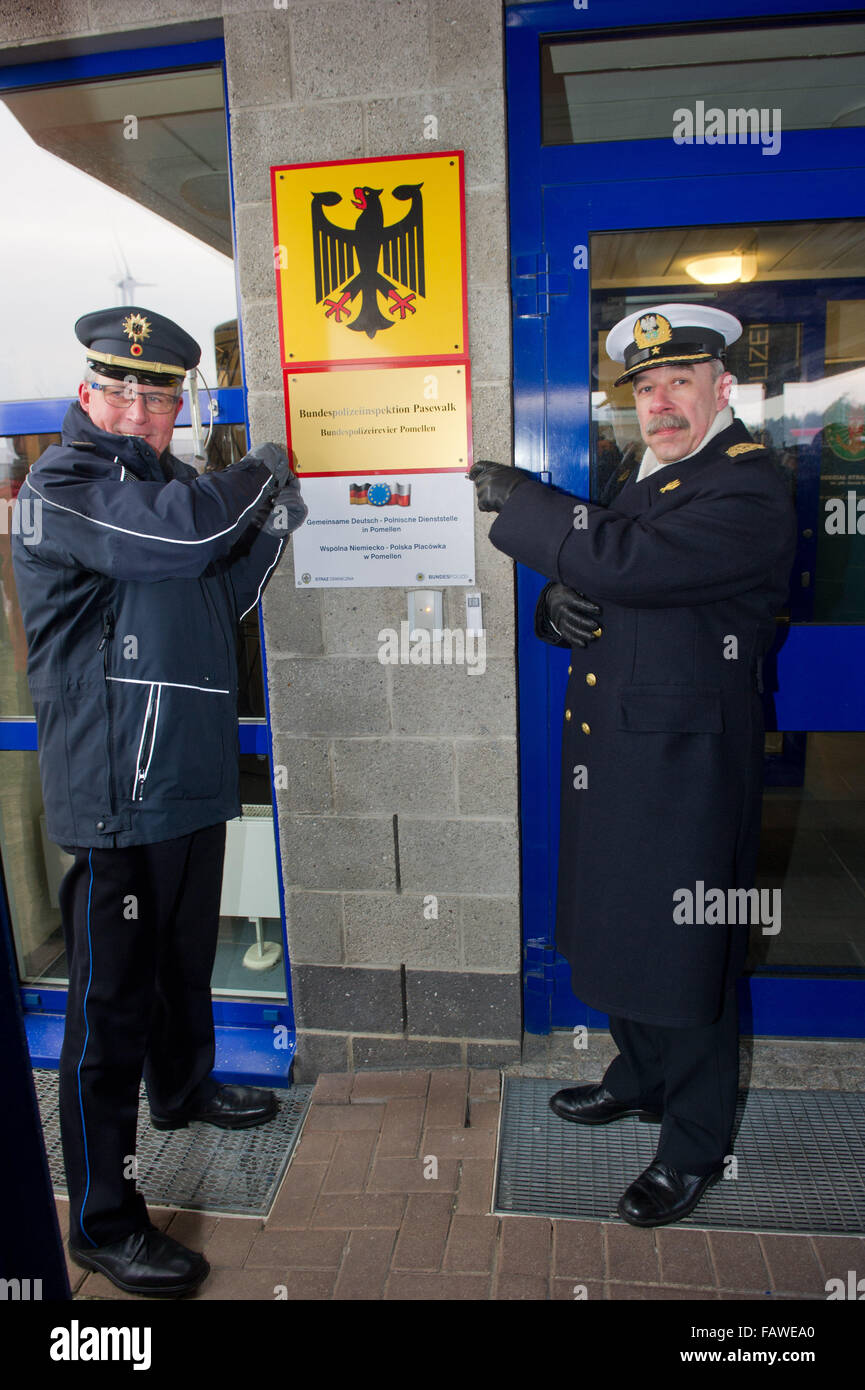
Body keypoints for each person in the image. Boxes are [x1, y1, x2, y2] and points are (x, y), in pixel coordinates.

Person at [470, 303, 796, 1227]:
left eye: (678, 382)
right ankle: (639, 1076)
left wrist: (526, 498)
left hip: (687, 764)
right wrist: (554, 608)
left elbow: (636, 563)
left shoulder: (746, 485)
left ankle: (692, 1145)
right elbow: (607, 583)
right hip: (617, 750)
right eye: (644, 388)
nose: (658, 402)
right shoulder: (644, 471)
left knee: (686, 951)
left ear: (722, 387)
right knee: (620, 924)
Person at [11, 306, 307, 1296]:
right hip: (112, 793)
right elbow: (180, 542)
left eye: (160, 393)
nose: (140, 408)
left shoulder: (171, 483)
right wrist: (260, 473)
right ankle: (102, 1218)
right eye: (122, 389)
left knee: (184, 959)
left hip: (182, 773)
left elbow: (212, 590)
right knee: (108, 1012)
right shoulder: (65, 484)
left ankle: (182, 1091)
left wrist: (264, 532)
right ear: (88, 392)